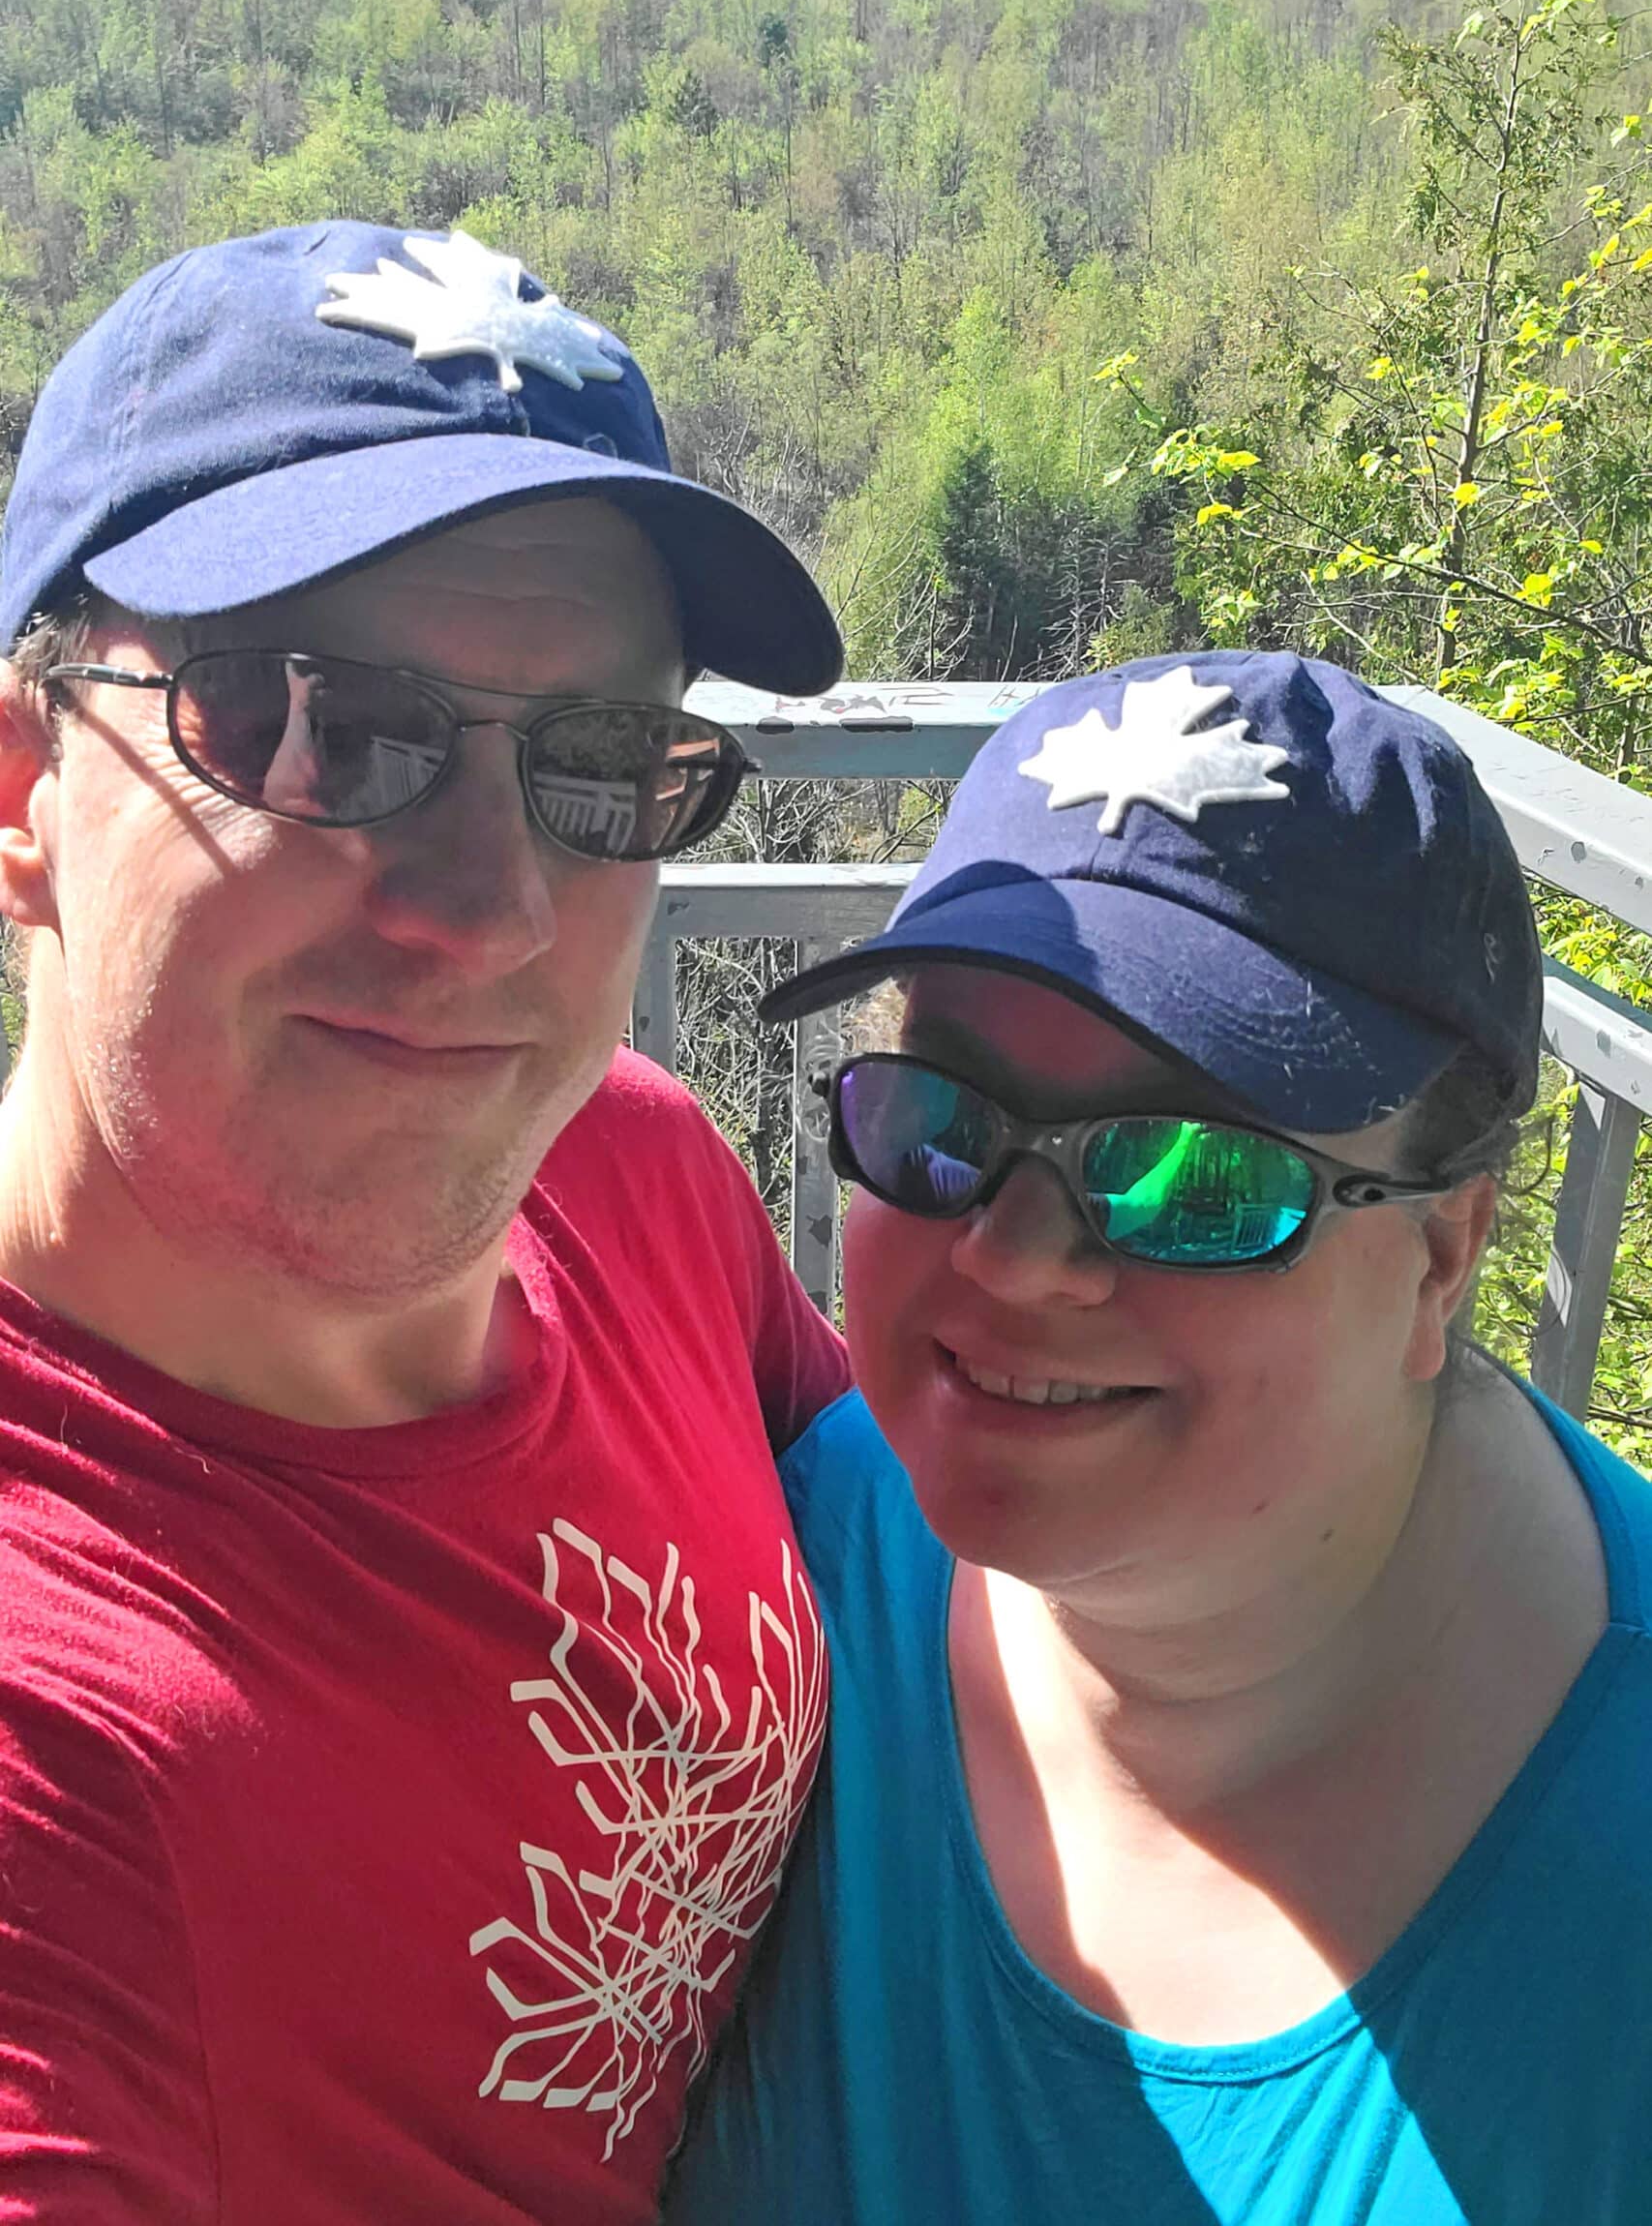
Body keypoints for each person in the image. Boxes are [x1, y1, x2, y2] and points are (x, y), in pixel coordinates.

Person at [0, 220, 852, 2223]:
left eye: (596, 768)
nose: (485, 912)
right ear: (26, 789)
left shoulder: (631, 1178)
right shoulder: (56, 1729)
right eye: (317, 724)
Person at [669, 652, 1652, 2224]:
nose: (1009, 1257)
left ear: (1443, 1255)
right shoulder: (787, 1579)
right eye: (944, 1120)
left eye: (1193, 1174)